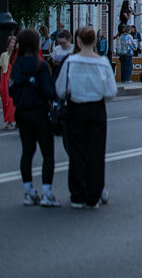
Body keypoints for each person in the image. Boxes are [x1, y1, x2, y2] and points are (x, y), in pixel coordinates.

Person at [55, 27, 117, 208]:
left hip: (76, 108)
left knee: (76, 151)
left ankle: (77, 194)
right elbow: (111, 92)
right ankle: (93, 195)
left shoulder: (70, 62)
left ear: (78, 41)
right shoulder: (103, 63)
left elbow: (61, 89)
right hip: (97, 109)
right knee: (96, 152)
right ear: (95, 41)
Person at [8, 28, 59, 207]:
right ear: (36, 44)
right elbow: (49, 91)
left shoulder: (17, 64)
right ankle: (47, 193)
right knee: (47, 153)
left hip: (22, 113)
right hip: (39, 112)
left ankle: (29, 192)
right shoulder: (41, 65)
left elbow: (11, 91)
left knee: (27, 152)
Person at [0, 35, 18, 130]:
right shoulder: (4, 55)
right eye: (12, 42)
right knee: (5, 100)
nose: (13, 44)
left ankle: (11, 121)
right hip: (5, 78)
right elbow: (2, 69)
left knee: (11, 100)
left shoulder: (17, 55)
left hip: (13, 78)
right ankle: (9, 119)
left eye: (14, 43)